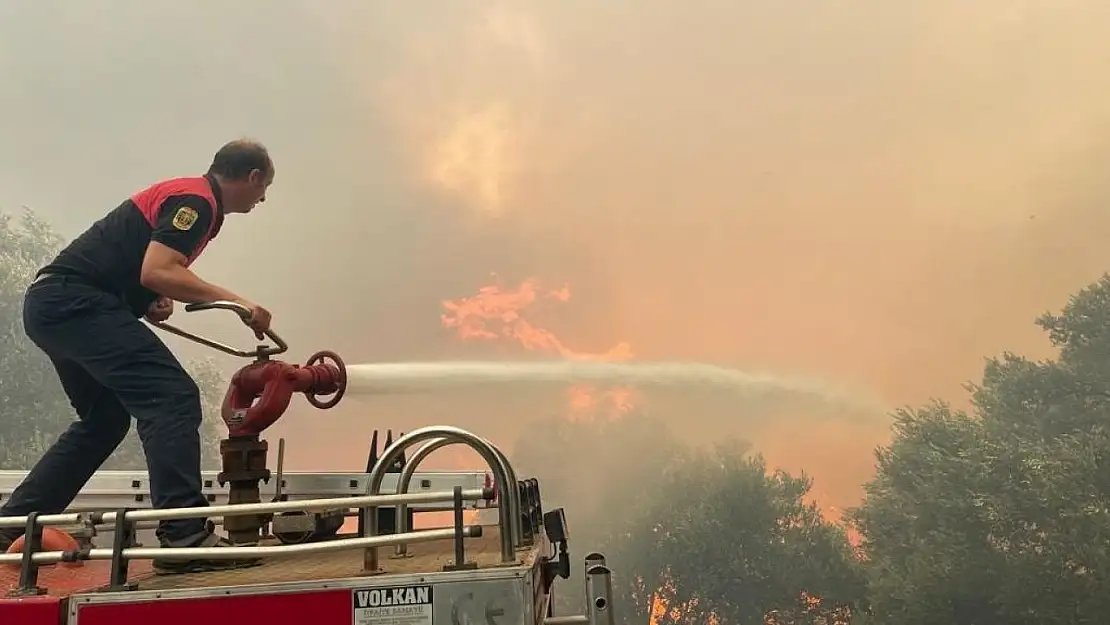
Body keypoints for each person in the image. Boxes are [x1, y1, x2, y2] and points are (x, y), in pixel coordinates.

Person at [0, 139, 276, 575]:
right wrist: (240, 303)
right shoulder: (197, 202)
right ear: (254, 177)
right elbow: (159, 268)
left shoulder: (189, 196)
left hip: (54, 303)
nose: (262, 199)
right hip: (75, 303)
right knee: (173, 396)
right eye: (264, 189)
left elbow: (143, 270)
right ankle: (184, 537)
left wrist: (146, 299)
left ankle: (10, 525)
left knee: (105, 420)